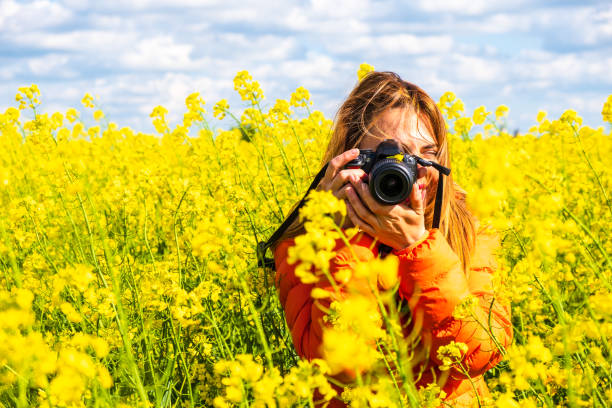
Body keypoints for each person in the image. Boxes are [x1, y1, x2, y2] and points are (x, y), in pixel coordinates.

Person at [270, 71, 513, 407]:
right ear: (351, 159)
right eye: (390, 156)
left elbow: (479, 354)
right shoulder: (309, 240)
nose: (407, 171)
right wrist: (343, 233)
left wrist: (417, 248)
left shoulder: (466, 227)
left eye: (423, 154)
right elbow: (340, 367)